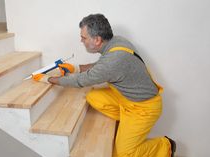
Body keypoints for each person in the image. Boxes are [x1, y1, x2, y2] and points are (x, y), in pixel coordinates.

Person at [33, 13, 176, 157]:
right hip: (125, 98)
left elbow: (80, 81)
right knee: (93, 96)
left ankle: (165, 145)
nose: (81, 40)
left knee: (125, 153)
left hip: (144, 108)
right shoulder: (117, 42)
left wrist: (48, 79)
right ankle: (126, 123)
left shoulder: (113, 61)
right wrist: (76, 67)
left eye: (83, 37)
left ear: (97, 40)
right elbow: (102, 65)